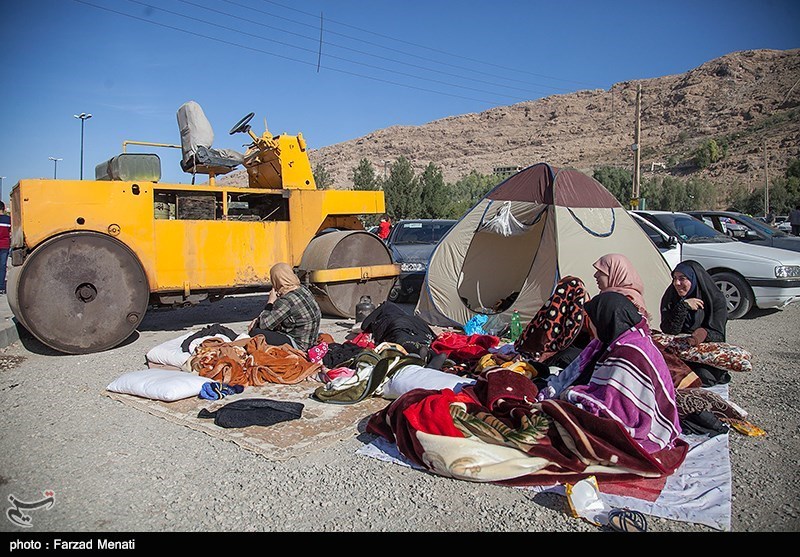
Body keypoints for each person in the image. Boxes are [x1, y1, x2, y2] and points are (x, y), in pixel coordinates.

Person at [545, 291, 682, 454]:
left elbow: (620, 409)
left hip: (641, 424)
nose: (590, 327)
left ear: (605, 320)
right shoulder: (615, 341)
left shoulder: (629, 352)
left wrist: (573, 395)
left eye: (593, 321)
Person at [247, 262, 322, 352]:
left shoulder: (286, 301)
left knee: (255, 332)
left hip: (299, 346)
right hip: (310, 341)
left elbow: (264, 325)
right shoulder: (303, 289)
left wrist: (270, 302)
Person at [659, 260, 727, 346]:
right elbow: (668, 330)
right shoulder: (671, 296)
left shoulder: (715, 299)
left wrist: (701, 334)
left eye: (682, 278)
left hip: (705, 347)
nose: (676, 283)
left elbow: (719, 336)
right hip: (675, 346)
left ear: (694, 279)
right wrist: (683, 307)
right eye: (674, 278)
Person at [592, 253, 649, 319]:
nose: (595, 275)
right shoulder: (609, 296)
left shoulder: (628, 299)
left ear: (614, 272)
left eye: (600, 271)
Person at [0, 201, 10, 294]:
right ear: (3, 209)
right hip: (4, 245)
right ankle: (1, 287)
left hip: (3, 245)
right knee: (2, 266)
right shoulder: (8, 219)